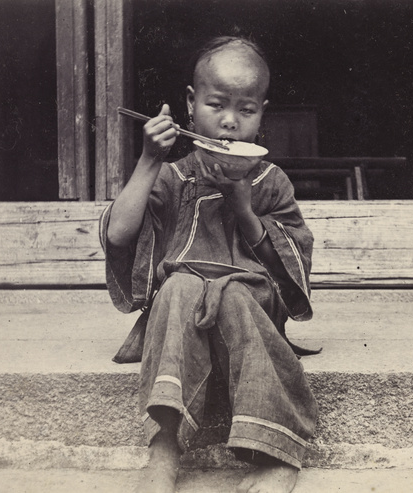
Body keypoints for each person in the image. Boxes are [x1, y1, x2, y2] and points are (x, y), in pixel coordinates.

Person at [100, 36, 319, 493]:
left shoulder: (271, 182)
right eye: (217, 105)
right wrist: (148, 159)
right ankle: (163, 451)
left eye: (247, 110)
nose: (229, 122)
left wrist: (243, 207)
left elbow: (290, 271)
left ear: (262, 115)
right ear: (190, 104)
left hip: (250, 305)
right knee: (179, 287)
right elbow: (119, 235)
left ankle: (275, 454)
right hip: (181, 308)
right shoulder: (173, 174)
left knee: (237, 295)